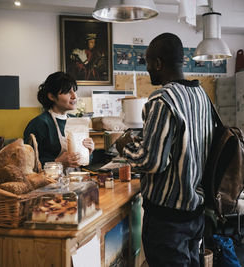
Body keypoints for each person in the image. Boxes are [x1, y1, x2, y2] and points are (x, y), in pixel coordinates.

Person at [116, 33, 215, 267]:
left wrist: (124, 146)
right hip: (195, 213)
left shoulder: (163, 99)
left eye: (148, 63)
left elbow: (152, 162)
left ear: (158, 63)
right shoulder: (201, 95)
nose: (147, 68)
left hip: (168, 220)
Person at [23, 71, 94, 167]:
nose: (74, 96)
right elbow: (27, 163)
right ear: (51, 96)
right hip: (48, 180)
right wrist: (57, 162)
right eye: (67, 92)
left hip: (76, 178)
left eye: (74, 91)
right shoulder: (39, 123)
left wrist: (89, 152)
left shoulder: (76, 121)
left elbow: (83, 162)